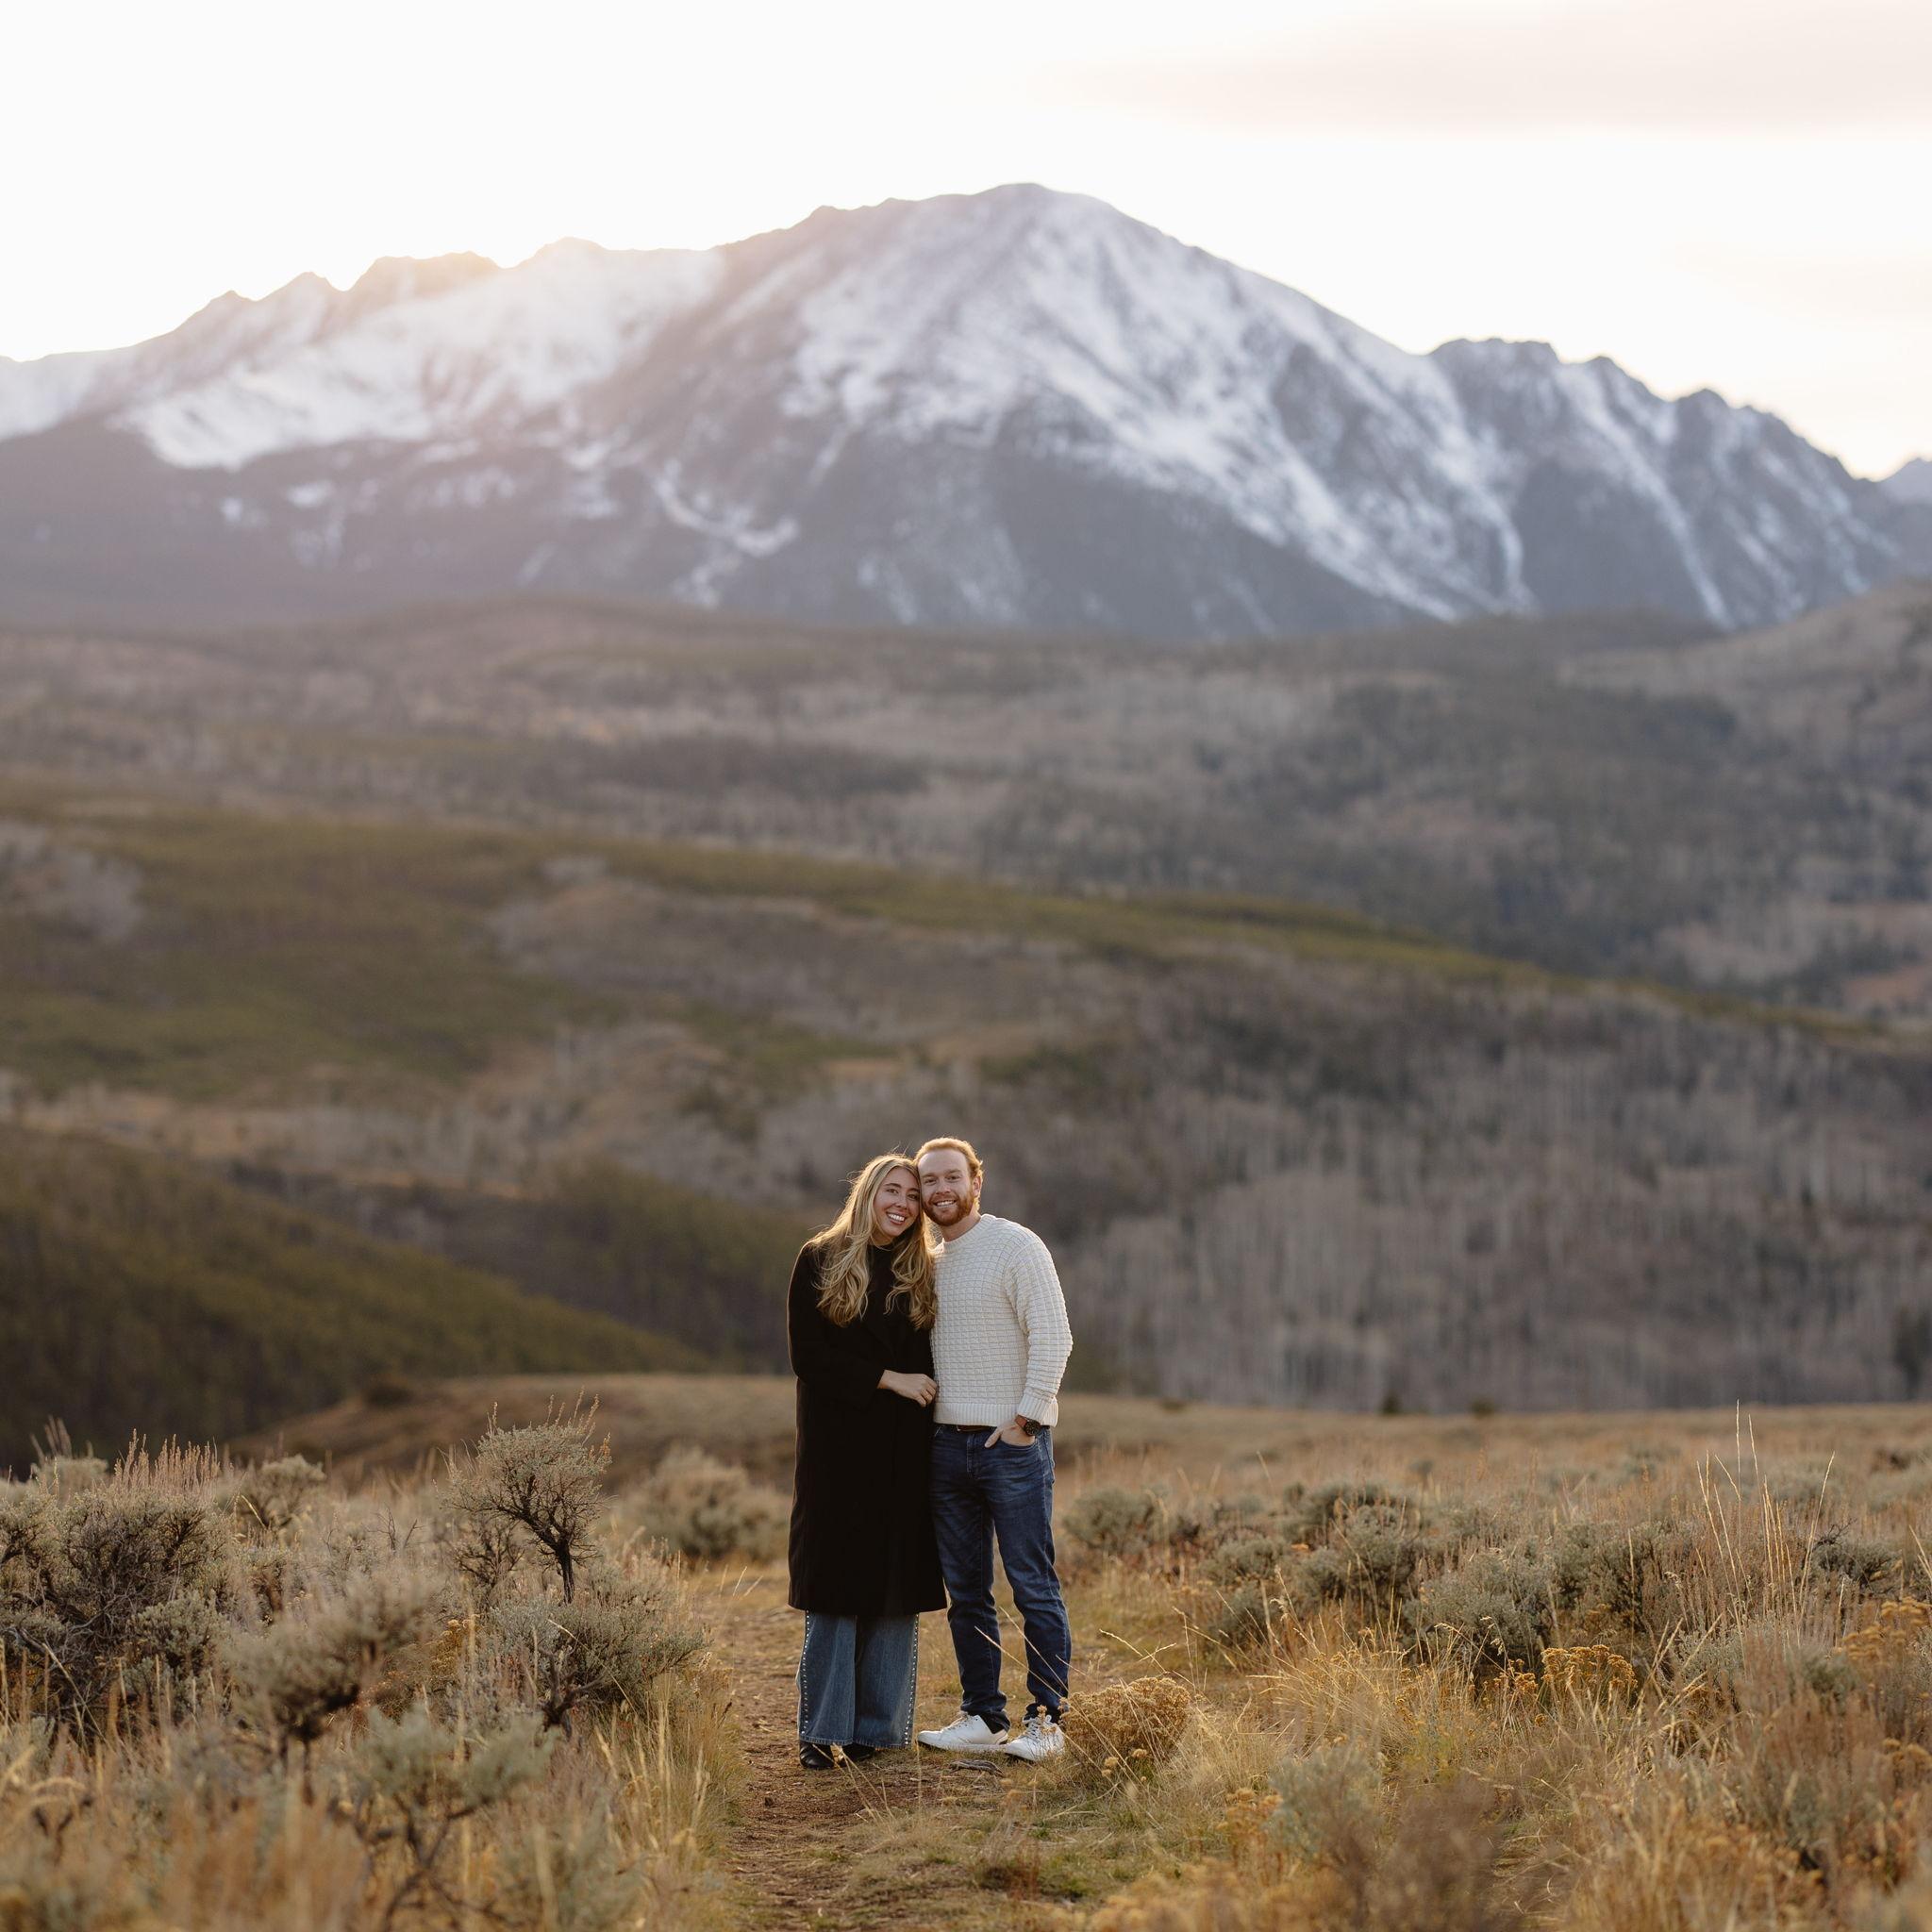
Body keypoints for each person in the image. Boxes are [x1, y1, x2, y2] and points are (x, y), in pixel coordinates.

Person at [912, 1136, 1074, 1763]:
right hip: (946, 1448)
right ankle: (982, 1716)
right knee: (967, 1591)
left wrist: (1026, 1420)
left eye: (952, 1177)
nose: (941, 1189)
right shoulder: (928, 1262)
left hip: (1011, 1445)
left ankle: (1047, 1720)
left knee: (1032, 1583)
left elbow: (1053, 1336)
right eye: (930, 1181)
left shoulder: (1015, 1245)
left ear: (976, 1182)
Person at [786, 1153, 948, 1770]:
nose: (902, 1204)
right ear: (869, 1193)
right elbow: (809, 1356)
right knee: (834, 1589)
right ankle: (820, 1731)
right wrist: (888, 1378)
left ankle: (874, 1732)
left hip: (904, 1452)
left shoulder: (921, 1270)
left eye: (913, 1196)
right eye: (893, 1191)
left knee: (894, 1587)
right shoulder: (820, 1259)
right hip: (837, 1450)